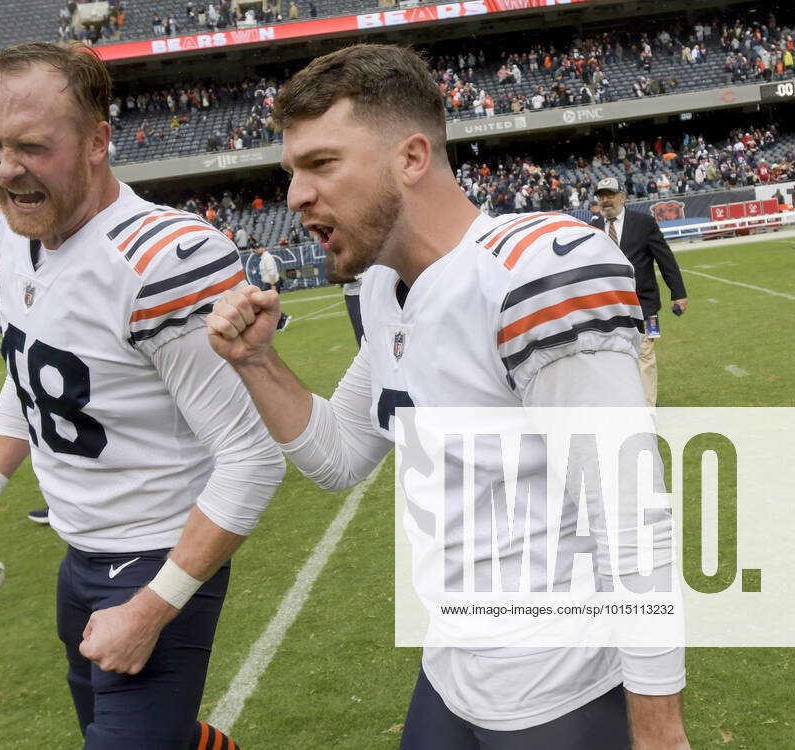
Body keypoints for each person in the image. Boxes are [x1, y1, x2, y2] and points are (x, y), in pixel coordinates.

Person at [207, 44, 688, 750]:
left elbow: (631, 516)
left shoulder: (526, 275)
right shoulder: (382, 286)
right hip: (454, 661)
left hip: (559, 684)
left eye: (321, 164)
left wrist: (659, 730)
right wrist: (257, 362)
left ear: (409, 158)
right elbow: (339, 456)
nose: (295, 195)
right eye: (292, 172)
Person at [0, 42, 284, 750]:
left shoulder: (160, 260)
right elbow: (31, 372)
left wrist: (151, 609)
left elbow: (252, 458)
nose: (6, 167)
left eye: (31, 145)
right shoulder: (15, 224)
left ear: (96, 141)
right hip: (79, 551)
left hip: (155, 554)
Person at [590, 177, 688, 407]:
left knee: (644, 355)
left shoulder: (643, 223)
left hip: (642, 303)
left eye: (610, 195)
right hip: (607, 306)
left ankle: (646, 409)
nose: (605, 200)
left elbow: (666, 259)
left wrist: (678, 292)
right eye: (601, 196)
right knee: (614, 357)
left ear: (623, 197)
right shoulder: (593, 227)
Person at [252, 245, 291, 331]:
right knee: (267, 305)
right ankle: (279, 323)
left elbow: (271, 271)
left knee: (266, 304)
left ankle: (283, 318)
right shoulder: (264, 257)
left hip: (270, 283)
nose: (255, 252)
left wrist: (273, 285)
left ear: (261, 248)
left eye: (256, 249)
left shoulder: (267, 257)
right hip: (268, 283)